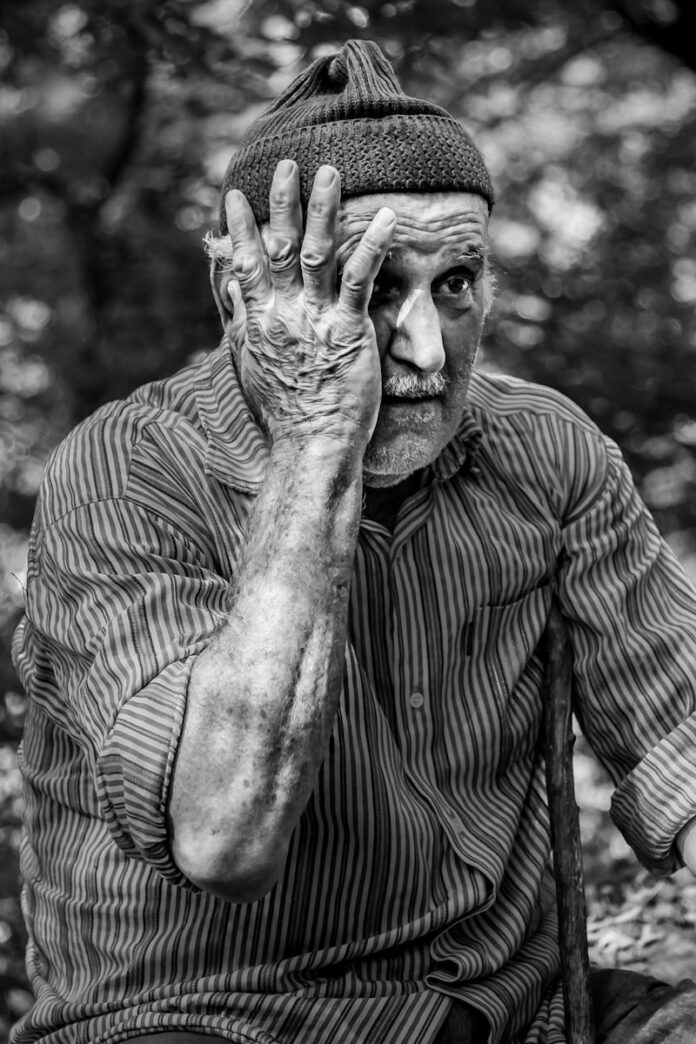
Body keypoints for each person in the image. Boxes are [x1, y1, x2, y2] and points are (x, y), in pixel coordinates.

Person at [10, 38, 696, 1044]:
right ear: (243, 296)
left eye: (456, 283)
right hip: (208, 1021)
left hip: (508, 1011)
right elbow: (222, 832)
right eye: (371, 287)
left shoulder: (547, 451)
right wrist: (319, 431)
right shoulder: (125, 474)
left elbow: (679, 740)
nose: (424, 352)